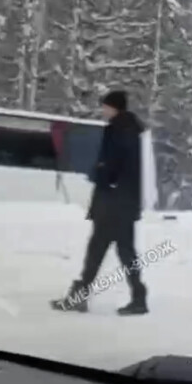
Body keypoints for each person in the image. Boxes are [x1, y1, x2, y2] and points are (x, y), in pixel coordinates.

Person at [50, 90, 148, 316]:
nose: (103, 110)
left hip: (113, 202)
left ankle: (84, 297)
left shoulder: (119, 130)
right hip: (123, 202)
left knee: (102, 250)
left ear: (114, 107)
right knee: (119, 251)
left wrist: (100, 174)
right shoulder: (130, 130)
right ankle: (138, 297)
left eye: (105, 106)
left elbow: (114, 165)